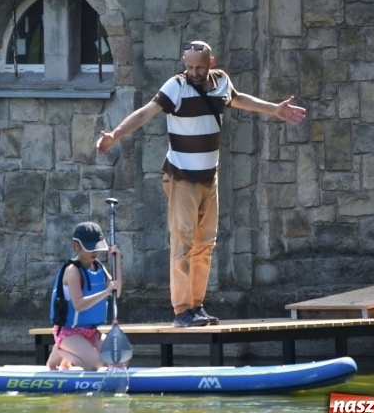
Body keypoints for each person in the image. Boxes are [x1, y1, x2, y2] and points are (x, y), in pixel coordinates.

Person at [96, 41, 306, 328]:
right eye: (189, 66)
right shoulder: (176, 86)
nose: (194, 72)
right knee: (183, 243)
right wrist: (114, 135)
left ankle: (196, 305)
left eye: (199, 67)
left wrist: (275, 110)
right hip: (181, 177)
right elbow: (145, 112)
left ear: (211, 62)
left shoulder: (221, 82)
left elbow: (239, 98)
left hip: (210, 177)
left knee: (205, 244)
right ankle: (182, 311)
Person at [46, 221, 122, 371]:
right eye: (90, 249)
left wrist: (117, 261)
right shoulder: (72, 271)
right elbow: (78, 305)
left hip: (91, 331)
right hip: (69, 332)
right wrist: (106, 291)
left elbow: (116, 292)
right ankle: (59, 350)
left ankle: (72, 353)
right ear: (77, 247)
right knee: (94, 365)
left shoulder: (99, 267)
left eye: (97, 249)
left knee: (118, 362)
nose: (94, 253)